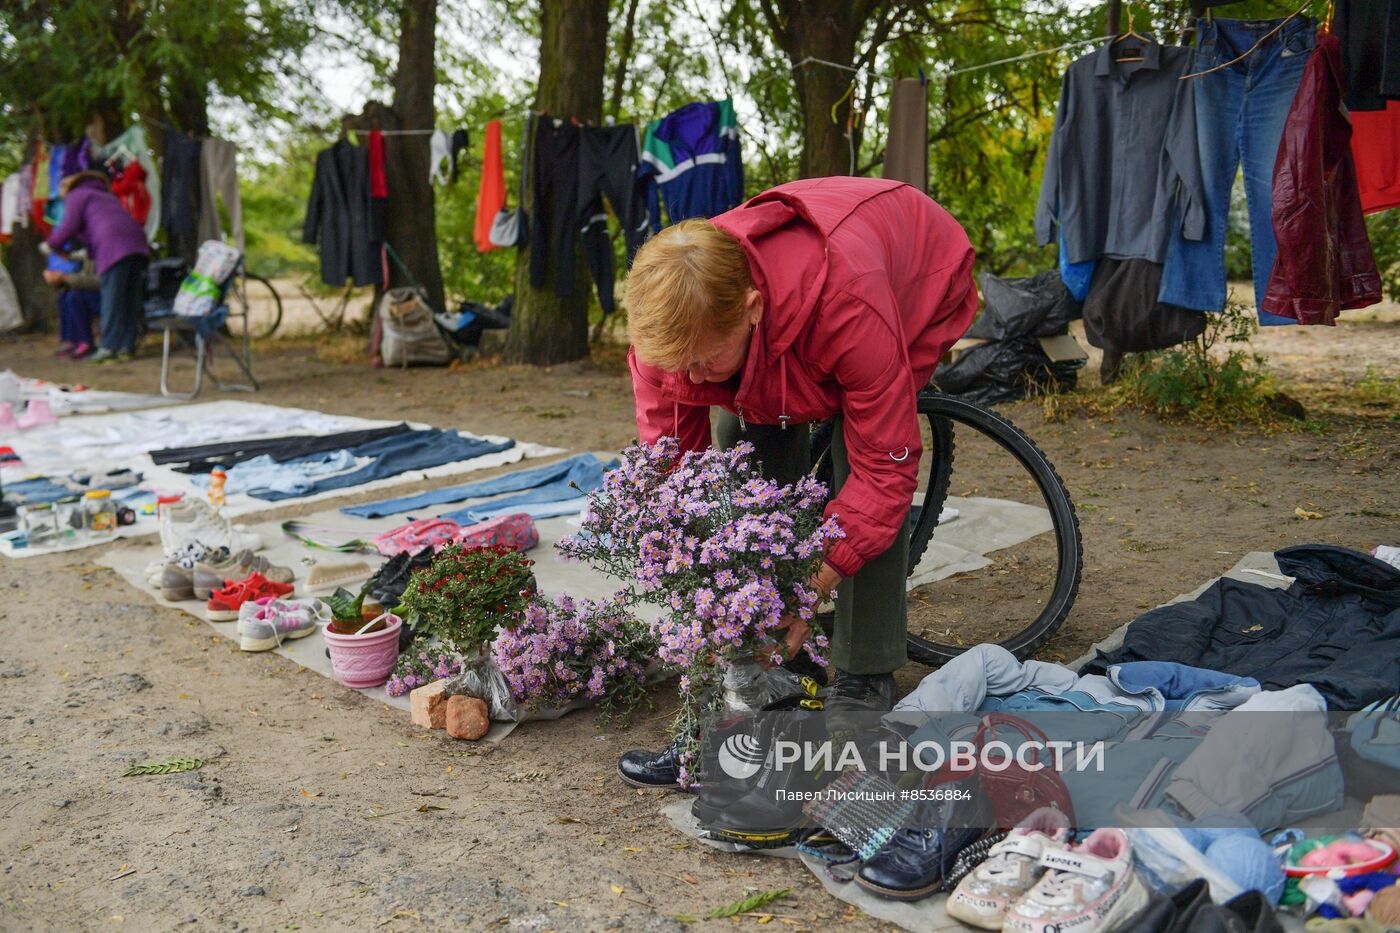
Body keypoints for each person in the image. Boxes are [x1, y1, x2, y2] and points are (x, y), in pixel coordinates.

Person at [617, 176, 978, 787]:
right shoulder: (674, 334)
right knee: (745, 449)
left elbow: (882, 471)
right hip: (785, 326)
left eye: (701, 360)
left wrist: (808, 587)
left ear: (752, 308)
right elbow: (676, 464)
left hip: (911, 277)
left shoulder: (849, 305)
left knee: (859, 460)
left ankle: (864, 670)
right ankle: (774, 666)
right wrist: (702, 567)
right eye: (678, 364)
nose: (690, 375)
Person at [45, 170, 150, 363]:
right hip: (137, 243)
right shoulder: (103, 196)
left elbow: (68, 226)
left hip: (114, 246)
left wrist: (51, 245)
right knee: (128, 298)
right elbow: (94, 229)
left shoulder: (78, 194)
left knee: (111, 298)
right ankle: (127, 346)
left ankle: (109, 347)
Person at [43, 254, 101, 359]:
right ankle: (73, 341)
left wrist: (66, 278)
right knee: (65, 295)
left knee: (74, 297)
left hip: (107, 298)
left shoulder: (100, 253)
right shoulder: (87, 254)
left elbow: (99, 282)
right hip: (93, 291)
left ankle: (86, 342)